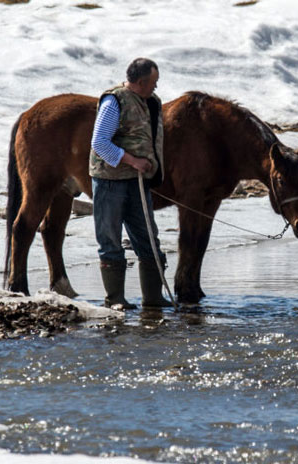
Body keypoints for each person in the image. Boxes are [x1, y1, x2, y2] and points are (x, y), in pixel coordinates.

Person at [89, 57, 172, 309]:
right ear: (140, 81)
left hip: (138, 183)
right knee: (110, 239)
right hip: (110, 181)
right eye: (153, 82)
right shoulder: (114, 101)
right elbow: (100, 142)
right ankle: (115, 299)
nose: (156, 88)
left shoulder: (152, 102)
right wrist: (132, 161)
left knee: (148, 237)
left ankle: (153, 299)